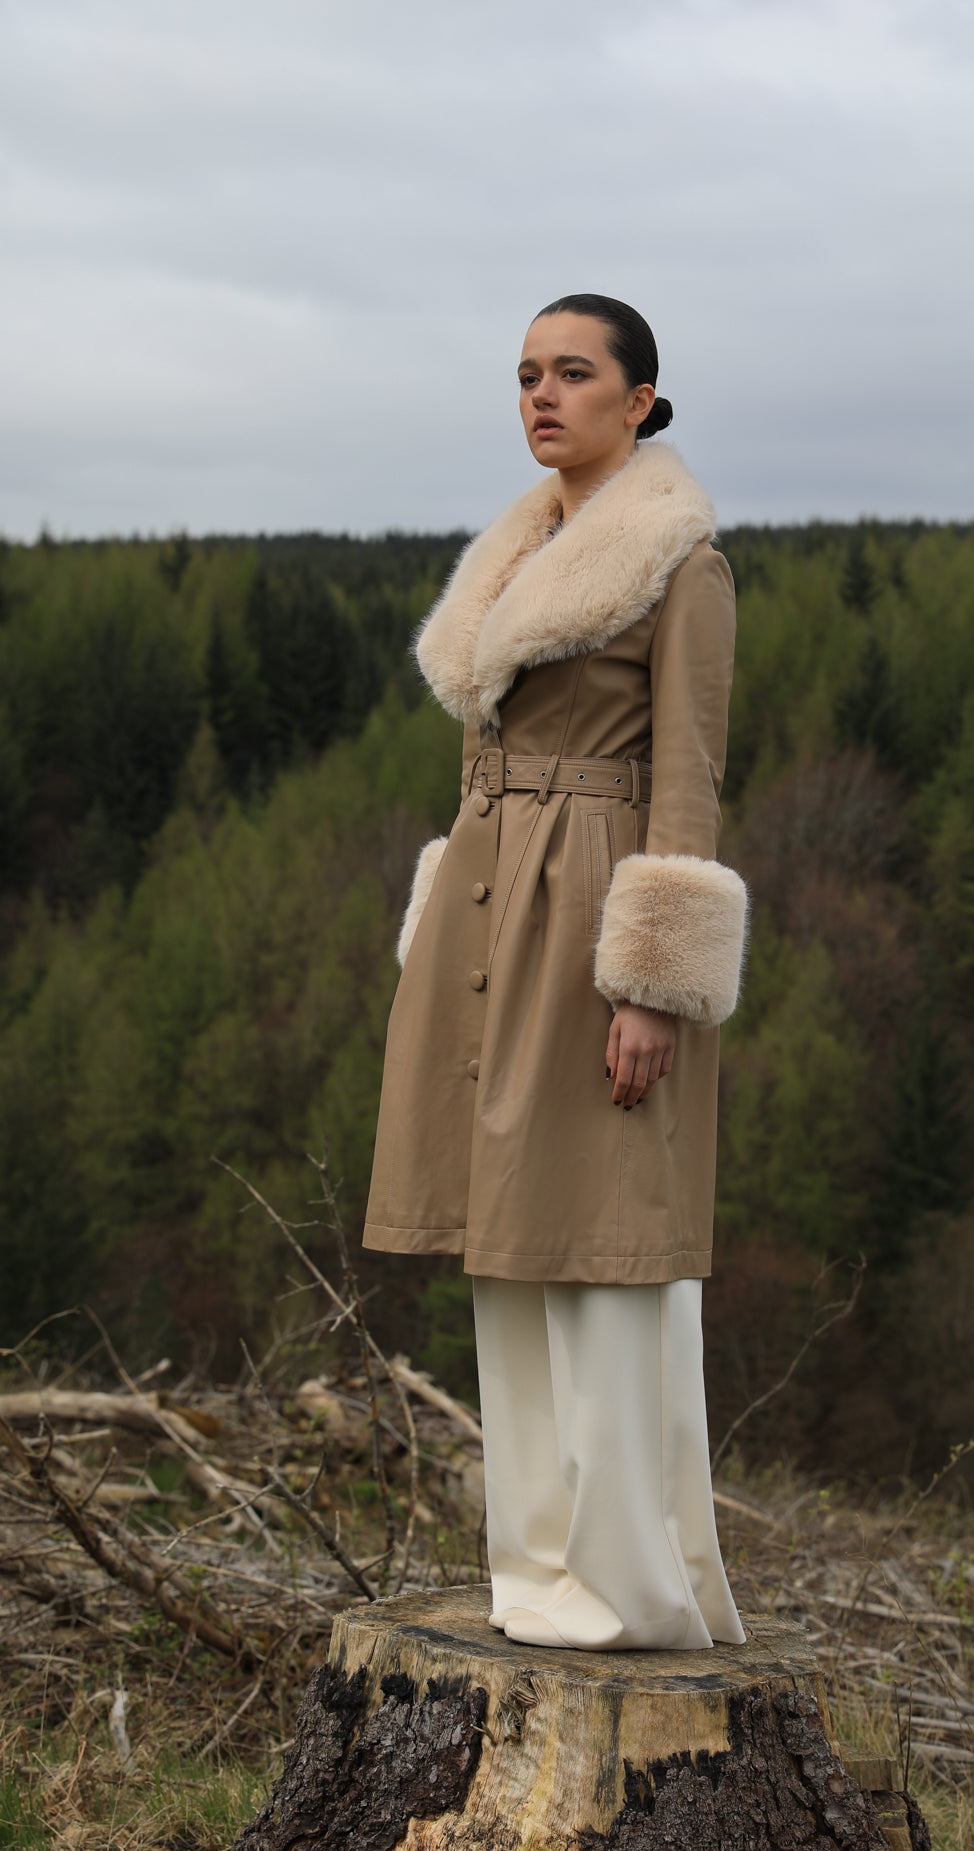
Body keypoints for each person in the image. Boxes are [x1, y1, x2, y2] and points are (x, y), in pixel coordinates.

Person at [362, 293, 748, 1651]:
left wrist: (652, 978)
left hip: (594, 913)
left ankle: (626, 1579)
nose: (541, 395)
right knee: (506, 1246)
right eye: (526, 374)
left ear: (638, 400)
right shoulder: (527, 553)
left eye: (573, 374)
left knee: (602, 1244)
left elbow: (688, 784)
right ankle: (531, 1570)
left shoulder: (677, 562)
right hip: (488, 904)